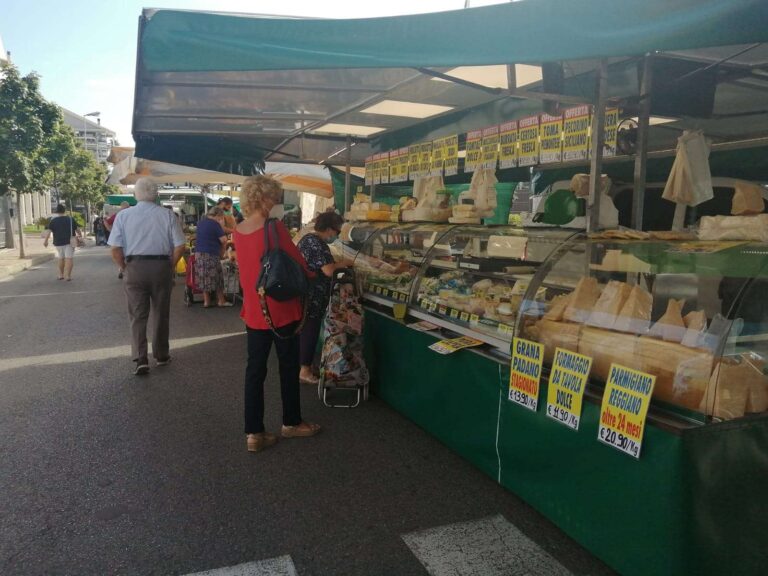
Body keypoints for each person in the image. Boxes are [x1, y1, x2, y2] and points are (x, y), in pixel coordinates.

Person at [234, 175, 321, 453]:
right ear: (264, 198)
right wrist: (312, 275)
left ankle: (254, 433)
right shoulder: (275, 228)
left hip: (254, 311)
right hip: (281, 311)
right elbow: (296, 261)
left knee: (255, 371)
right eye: (274, 196)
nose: (276, 202)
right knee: (287, 367)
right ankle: (292, 423)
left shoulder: (238, 230)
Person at [108, 178, 186, 376]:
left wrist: (124, 267)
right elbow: (180, 245)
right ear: (156, 194)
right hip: (161, 266)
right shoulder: (168, 215)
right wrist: (170, 265)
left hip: (134, 266)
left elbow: (115, 248)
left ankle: (140, 358)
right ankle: (161, 355)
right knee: (161, 312)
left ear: (136, 194)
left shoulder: (123, 216)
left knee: (137, 315)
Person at [296, 211, 352, 385]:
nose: (336, 235)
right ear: (328, 229)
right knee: (310, 330)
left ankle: (305, 365)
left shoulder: (308, 239)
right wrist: (345, 264)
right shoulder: (316, 244)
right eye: (336, 231)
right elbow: (328, 270)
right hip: (313, 295)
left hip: (307, 293)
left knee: (306, 329)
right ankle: (304, 370)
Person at [194, 206, 233, 308]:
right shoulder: (215, 224)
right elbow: (224, 240)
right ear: (217, 215)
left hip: (199, 253)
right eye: (221, 217)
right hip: (211, 253)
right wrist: (222, 252)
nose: (221, 219)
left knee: (203, 277)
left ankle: (206, 301)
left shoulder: (201, 223)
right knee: (217, 277)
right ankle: (221, 301)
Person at [43, 204, 82, 281]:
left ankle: (61, 275)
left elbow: (48, 232)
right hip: (69, 242)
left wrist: (46, 241)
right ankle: (68, 276)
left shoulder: (53, 221)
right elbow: (77, 229)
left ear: (57, 212)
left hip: (58, 242)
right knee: (69, 259)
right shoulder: (70, 219)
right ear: (64, 211)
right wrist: (80, 236)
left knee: (61, 258)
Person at [105, 201, 130, 278]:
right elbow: (107, 221)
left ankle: (122, 269)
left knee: (120, 254)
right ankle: (123, 270)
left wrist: (110, 230)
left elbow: (106, 221)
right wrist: (110, 230)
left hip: (121, 238)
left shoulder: (118, 215)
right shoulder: (120, 215)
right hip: (128, 238)